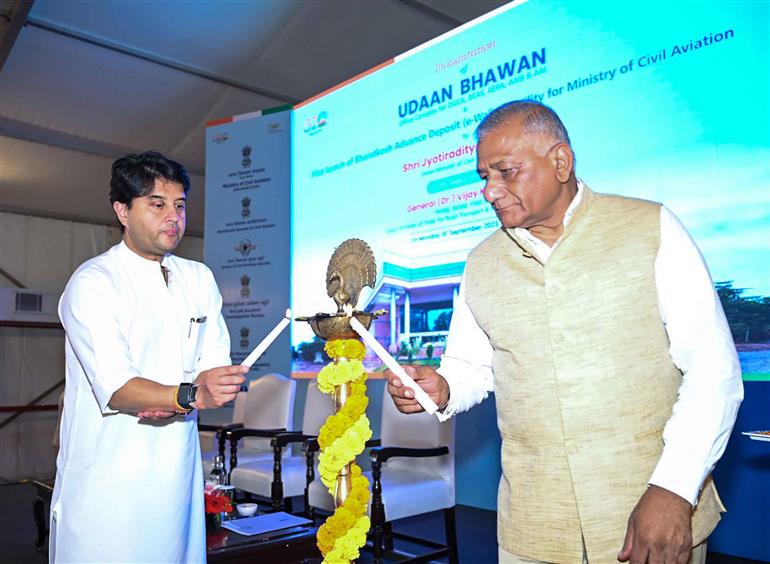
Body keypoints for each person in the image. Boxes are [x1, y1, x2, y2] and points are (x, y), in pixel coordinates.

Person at [386, 101, 743, 564]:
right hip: (532, 528)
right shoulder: (481, 263)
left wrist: (674, 489)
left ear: (560, 162)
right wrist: (443, 386)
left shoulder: (649, 228)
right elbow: (471, 366)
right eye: (483, 177)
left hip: (647, 518)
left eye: (505, 172)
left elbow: (713, 371)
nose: (490, 191)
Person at [51, 151, 247, 563]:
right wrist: (185, 396)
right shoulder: (94, 283)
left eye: (179, 205)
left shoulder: (198, 277)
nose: (172, 217)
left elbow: (210, 364)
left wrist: (204, 389)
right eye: (156, 204)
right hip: (110, 480)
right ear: (122, 210)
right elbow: (119, 388)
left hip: (177, 473)